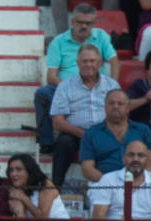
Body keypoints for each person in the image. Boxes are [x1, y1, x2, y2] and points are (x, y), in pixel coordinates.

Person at [34, 3, 119, 154]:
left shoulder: (101, 36)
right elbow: (51, 76)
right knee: (42, 93)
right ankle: (46, 142)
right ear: (72, 22)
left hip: (97, 85)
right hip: (65, 88)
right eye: (80, 22)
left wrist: (114, 86)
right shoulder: (58, 42)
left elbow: (114, 61)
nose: (84, 26)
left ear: (94, 23)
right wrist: (68, 87)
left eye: (88, 23)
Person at [49, 44, 121, 187]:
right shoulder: (65, 86)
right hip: (76, 135)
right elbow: (57, 122)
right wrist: (82, 133)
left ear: (99, 63)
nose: (88, 65)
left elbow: (120, 114)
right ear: (77, 63)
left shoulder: (112, 85)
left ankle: (117, 188)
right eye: (84, 61)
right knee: (63, 142)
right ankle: (55, 188)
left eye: (92, 61)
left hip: (105, 132)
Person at [81, 89, 151, 185]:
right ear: (105, 107)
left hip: (139, 185)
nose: (115, 106)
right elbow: (87, 169)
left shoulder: (143, 130)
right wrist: (112, 184)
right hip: (104, 185)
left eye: (120, 103)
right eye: (111, 103)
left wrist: (136, 182)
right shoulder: (91, 133)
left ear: (128, 108)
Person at [90, 140, 151, 219]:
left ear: (147, 160)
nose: (135, 159)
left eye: (140, 155)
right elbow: (98, 218)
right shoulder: (108, 179)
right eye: (131, 155)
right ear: (124, 159)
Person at [6, 153, 70, 219]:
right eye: (11, 170)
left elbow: (42, 218)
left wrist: (23, 197)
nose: (13, 174)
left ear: (29, 171)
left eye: (19, 169)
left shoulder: (45, 184)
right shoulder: (17, 189)